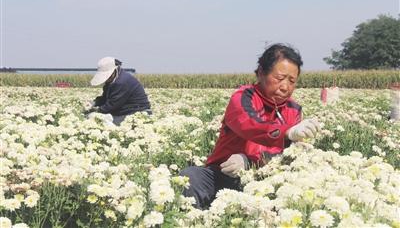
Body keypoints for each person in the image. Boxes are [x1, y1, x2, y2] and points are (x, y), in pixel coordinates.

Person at [180, 43, 321, 209]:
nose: (285, 87)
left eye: (292, 81)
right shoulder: (243, 97)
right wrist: (286, 131)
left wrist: (249, 161)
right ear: (261, 73)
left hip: (265, 180)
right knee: (190, 177)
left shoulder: (293, 110)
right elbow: (250, 125)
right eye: (279, 78)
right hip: (223, 174)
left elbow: (288, 155)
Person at [84, 56, 151, 125]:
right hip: (125, 111)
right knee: (96, 119)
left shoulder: (122, 81)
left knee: (101, 122)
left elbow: (113, 104)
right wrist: (94, 102)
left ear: (113, 72)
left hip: (138, 113)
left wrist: (97, 110)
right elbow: (105, 98)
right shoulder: (112, 81)